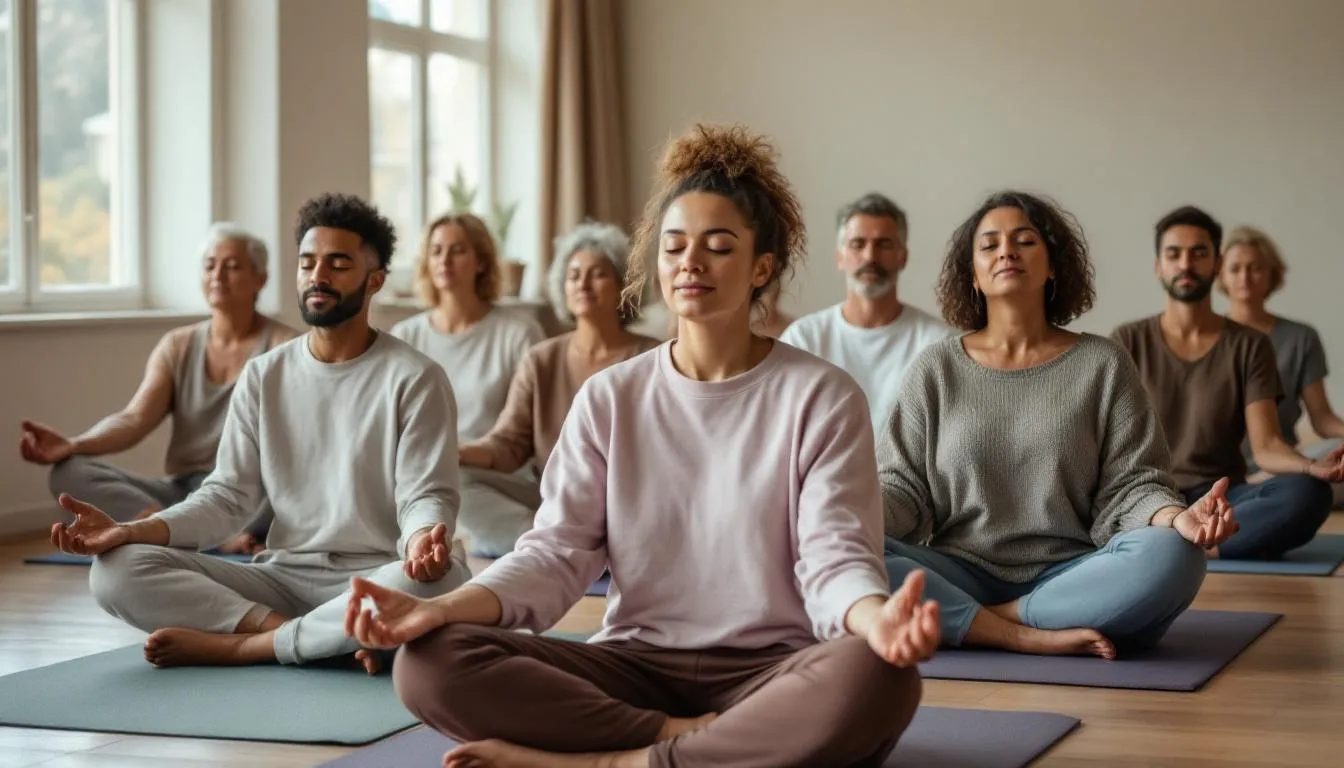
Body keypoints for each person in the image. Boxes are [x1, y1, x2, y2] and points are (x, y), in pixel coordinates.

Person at [346, 124, 937, 768]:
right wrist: (434, 611)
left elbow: (834, 558)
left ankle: (611, 762)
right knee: (429, 662)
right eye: (675, 246)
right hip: (633, 665)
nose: (690, 262)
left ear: (761, 267)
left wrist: (876, 621)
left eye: (718, 247)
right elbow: (554, 556)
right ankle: (688, 740)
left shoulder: (822, 395)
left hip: (774, 669)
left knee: (880, 675)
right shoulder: (609, 397)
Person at [48, 193, 469, 670]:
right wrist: (130, 530)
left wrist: (421, 544)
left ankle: (247, 646)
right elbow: (227, 499)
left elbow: (425, 495)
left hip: (380, 575)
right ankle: (310, 637)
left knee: (442, 580)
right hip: (281, 581)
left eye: (338, 264)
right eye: (308, 262)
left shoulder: (416, 376)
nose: (318, 276)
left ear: (374, 281)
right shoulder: (264, 375)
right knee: (115, 572)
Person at [880, 191, 1232, 659]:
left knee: (1176, 556)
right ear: (974, 277)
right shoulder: (936, 368)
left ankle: (988, 615)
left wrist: (1177, 518)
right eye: (989, 246)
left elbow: (1133, 485)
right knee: (840, 551)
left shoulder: (1102, 363)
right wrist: (838, 515)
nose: (1006, 251)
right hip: (958, 569)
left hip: (1073, 571)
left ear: (1052, 267)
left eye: (1024, 240)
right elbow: (901, 487)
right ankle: (1020, 630)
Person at [20, 223, 299, 554]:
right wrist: (72, 444)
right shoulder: (178, 345)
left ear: (261, 279)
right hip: (183, 490)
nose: (218, 275)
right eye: (210, 265)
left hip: (245, 492)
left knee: (289, 485)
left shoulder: (286, 346)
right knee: (68, 472)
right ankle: (170, 528)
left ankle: (182, 531)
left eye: (233, 266)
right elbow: (134, 419)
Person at [1112, 206, 1342, 561]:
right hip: (1149, 498)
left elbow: (1266, 444)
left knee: (1308, 494)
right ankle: (1182, 537)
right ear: (1159, 265)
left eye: (1199, 253)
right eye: (1174, 254)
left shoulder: (1250, 344)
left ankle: (1195, 546)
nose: (1186, 263)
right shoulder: (1127, 340)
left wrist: (1314, 468)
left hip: (1220, 496)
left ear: (1216, 264)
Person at [390, 213, 547, 557]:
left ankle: (539, 542)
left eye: (457, 250)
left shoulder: (518, 333)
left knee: (454, 483)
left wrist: (455, 456)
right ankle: (447, 545)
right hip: (426, 475)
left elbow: (529, 432)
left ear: (480, 262)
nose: (444, 260)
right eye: (436, 251)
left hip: (497, 477)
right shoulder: (405, 337)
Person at [458, 221, 659, 479]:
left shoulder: (652, 356)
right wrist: (456, 453)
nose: (583, 284)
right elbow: (507, 444)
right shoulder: (541, 360)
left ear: (623, 284)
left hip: (629, 494)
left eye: (598, 274)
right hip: (550, 501)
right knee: (464, 481)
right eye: (573, 276)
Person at [781, 193, 954, 435]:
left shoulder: (939, 344)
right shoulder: (803, 340)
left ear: (902, 257)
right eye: (858, 244)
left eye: (883, 244)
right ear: (840, 257)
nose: (870, 257)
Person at [1218, 225, 1344, 505]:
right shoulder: (1207, 336)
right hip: (1218, 476)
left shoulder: (1301, 337)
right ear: (1220, 275)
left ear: (1272, 274)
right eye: (1235, 268)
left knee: (1324, 469)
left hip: (1282, 467)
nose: (1245, 278)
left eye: (1255, 268)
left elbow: (1322, 419)